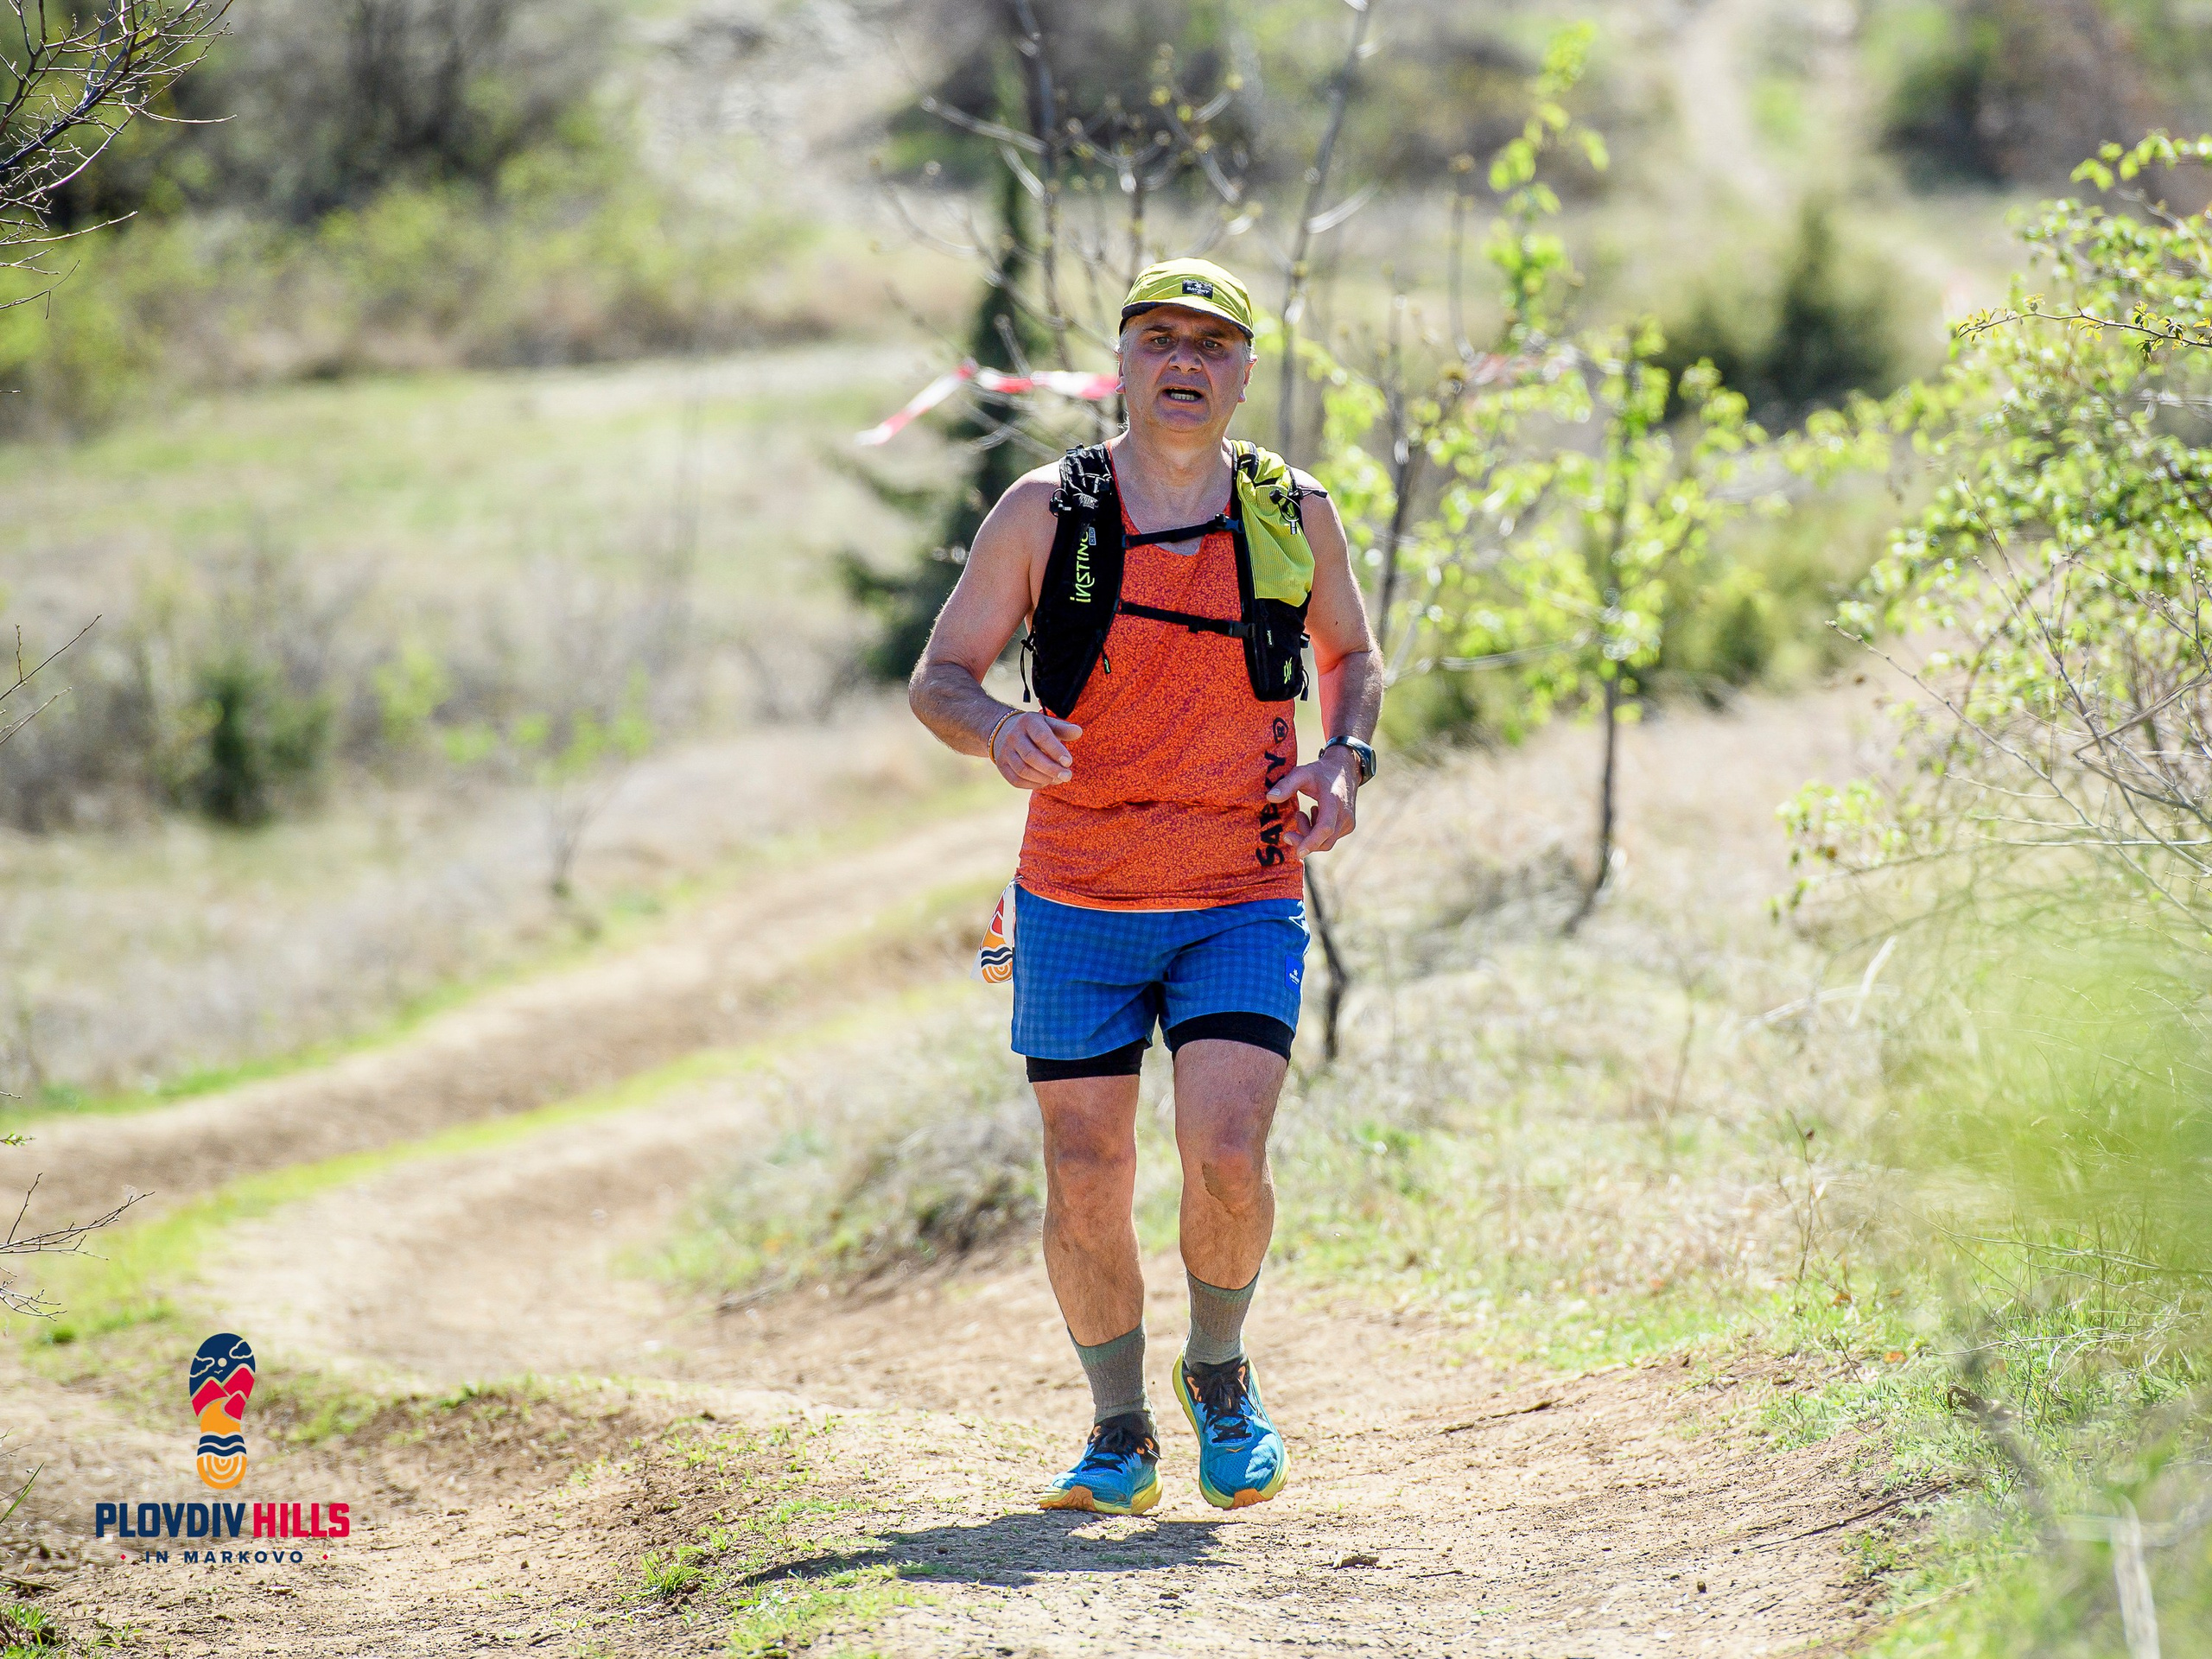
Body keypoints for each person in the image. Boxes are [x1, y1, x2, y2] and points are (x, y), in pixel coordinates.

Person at [908, 257, 1382, 1515]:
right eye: (1160, 338)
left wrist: (1344, 759)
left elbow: (1353, 655)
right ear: (1119, 361)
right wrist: (997, 728)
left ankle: (1218, 1371)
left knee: (1226, 1154)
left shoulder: (1292, 509)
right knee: (1085, 1172)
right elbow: (939, 677)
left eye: (1212, 344)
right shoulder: (1044, 511)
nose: (1185, 362)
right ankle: (1118, 1430)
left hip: (1241, 888)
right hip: (1076, 899)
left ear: (1245, 372)